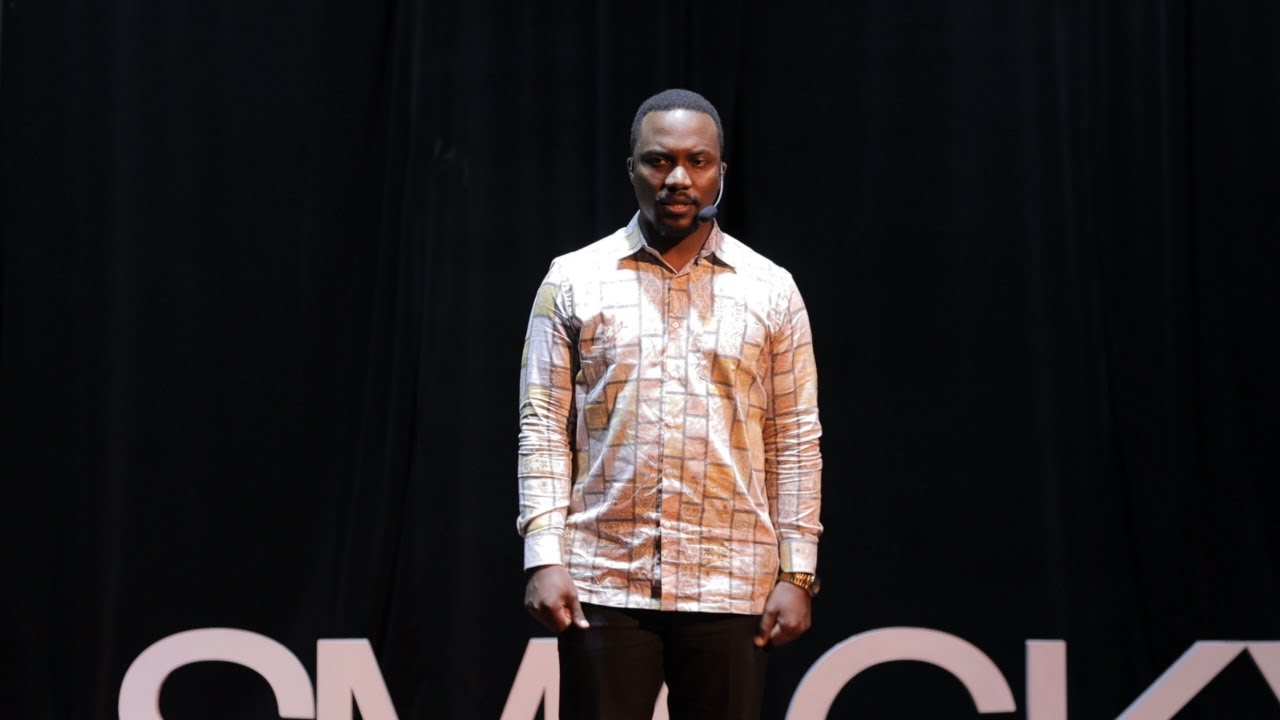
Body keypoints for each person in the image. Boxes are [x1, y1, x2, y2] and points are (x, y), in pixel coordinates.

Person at [517, 88, 823, 720]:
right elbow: (542, 425)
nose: (678, 178)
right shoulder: (572, 279)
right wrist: (544, 555)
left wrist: (798, 573)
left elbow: (794, 437)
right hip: (604, 576)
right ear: (631, 168)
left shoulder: (772, 290)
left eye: (697, 161)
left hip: (731, 580)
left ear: (720, 171)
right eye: (659, 161)